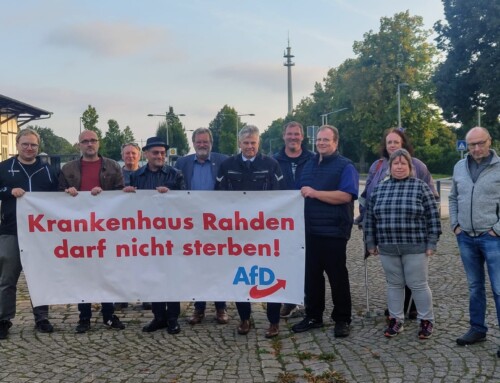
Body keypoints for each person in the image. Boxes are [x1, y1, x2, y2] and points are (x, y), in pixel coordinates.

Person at [357, 128, 439, 319]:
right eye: (389, 143)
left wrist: (431, 240)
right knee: (394, 280)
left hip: (413, 237)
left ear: (403, 144)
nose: (392, 145)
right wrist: (365, 222)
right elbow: (367, 197)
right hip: (386, 236)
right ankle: (396, 314)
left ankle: (418, 313)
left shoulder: (419, 168)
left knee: (416, 280)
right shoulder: (376, 167)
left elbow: (432, 207)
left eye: (396, 142)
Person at [216, 125, 283, 338]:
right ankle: (245, 318)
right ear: (239, 144)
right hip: (238, 233)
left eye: (253, 143)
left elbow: (281, 197)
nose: (249, 147)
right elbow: (218, 196)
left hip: (266, 232)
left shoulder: (271, 165)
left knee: (272, 275)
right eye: (246, 143)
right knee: (241, 276)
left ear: (258, 143)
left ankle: (274, 321)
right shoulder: (227, 165)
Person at [291, 125, 358, 338]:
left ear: (335, 142)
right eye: (319, 139)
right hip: (309, 231)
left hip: (334, 231)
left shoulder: (345, 166)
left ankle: (342, 319)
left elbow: (346, 195)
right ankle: (313, 316)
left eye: (326, 140)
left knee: (337, 277)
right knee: (312, 277)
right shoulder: (308, 164)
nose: (321, 143)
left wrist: (316, 193)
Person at [59, 130, 126, 333]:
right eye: (85, 141)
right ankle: (84, 317)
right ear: (78, 145)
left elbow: (121, 195)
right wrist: (67, 193)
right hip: (79, 230)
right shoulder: (68, 169)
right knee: (83, 274)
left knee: (107, 273)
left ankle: (109, 314)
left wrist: (105, 194)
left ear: (99, 144)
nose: (89, 144)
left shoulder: (113, 166)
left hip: (106, 229)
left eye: (93, 141)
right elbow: (56, 196)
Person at [0, 129, 59, 339]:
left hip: (40, 235)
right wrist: (8, 192)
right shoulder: (4, 168)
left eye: (33, 145)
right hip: (11, 231)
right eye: (25, 144)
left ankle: (42, 318)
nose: (29, 148)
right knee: (7, 278)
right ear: (17, 144)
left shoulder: (49, 170)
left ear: (38, 147)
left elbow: (59, 198)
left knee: (39, 276)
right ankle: (3, 320)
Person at [124, 136, 186, 335]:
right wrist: (127, 193)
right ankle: (159, 317)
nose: (160, 156)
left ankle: (173, 317)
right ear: (146, 154)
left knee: (172, 274)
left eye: (162, 153)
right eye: (155, 152)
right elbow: (130, 205)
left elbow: (186, 201)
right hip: (147, 234)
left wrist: (172, 194)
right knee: (154, 275)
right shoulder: (137, 176)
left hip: (171, 234)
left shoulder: (176, 174)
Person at [450, 127, 500, 357]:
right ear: (466, 146)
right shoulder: (460, 167)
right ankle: (478, 328)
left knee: (499, 289)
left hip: (492, 238)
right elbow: (452, 197)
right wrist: (455, 225)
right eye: (472, 144)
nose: (477, 148)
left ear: (490, 141)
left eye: (481, 143)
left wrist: (497, 229)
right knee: (474, 286)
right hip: (466, 237)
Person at [175, 128, 229, 325]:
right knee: (197, 266)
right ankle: (199, 308)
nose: (202, 145)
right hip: (192, 222)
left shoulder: (223, 161)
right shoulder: (182, 163)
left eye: (205, 141)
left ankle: (221, 307)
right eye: (199, 142)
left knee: (218, 265)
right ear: (193, 143)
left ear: (211, 143)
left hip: (217, 223)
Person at [273, 121, 314, 319]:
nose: (293, 137)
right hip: (283, 221)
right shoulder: (274, 161)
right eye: (290, 134)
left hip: (309, 218)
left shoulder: (313, 159)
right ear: (284, 136)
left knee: (308, 262)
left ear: (302, 137)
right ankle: (289, 301)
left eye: (296, 134)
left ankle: (309, 301)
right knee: (286, 260)